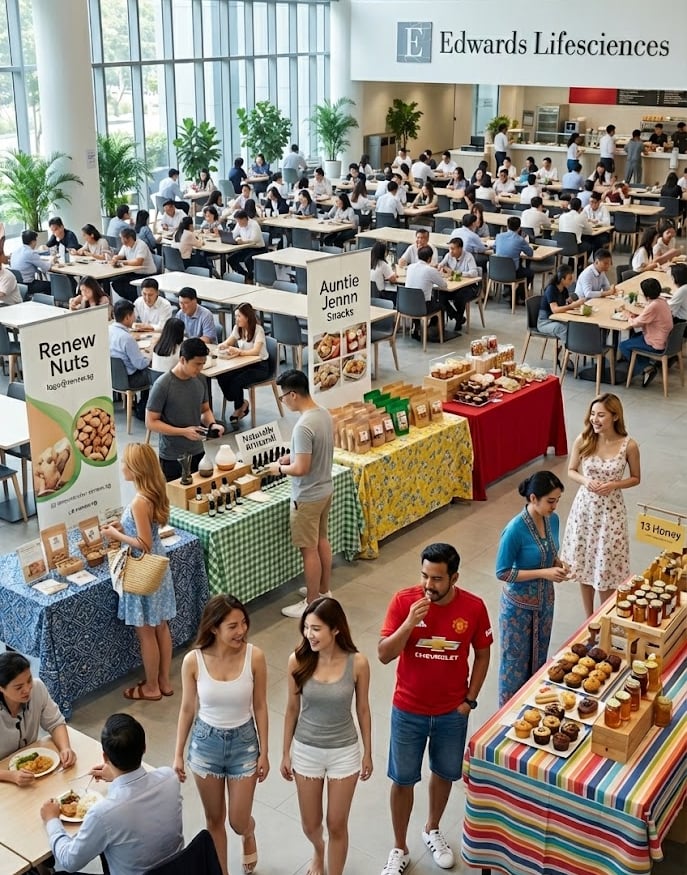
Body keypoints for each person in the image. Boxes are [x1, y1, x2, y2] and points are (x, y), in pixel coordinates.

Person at [378, 542, 492, 875]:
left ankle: (432, 828)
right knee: (402, 780)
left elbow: (483, 653)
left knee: (443, 773)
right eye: (425, 576)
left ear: (454, 577)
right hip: (408, 710)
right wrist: (409, 624)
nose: (429, 585)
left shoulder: (473, 607)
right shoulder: (404, 602)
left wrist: (469, 700)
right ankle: (399, 847)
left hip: (451, 713)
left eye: (438, 578)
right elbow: (384, 654)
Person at [174, 595, 268, 875]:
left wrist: (264, 752)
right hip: (205, 745)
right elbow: (187, 709)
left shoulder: (255, 656)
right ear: (214, 628)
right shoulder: (193, 661)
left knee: (238, 820)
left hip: (244, 745)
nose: (241, 631)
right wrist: (178, 753)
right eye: (233, 626)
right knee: (214, 820)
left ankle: (248, 832)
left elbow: (260, 706)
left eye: (243, 623)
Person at [281, 598, 371, 875]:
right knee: (310, 824)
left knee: (336, 824)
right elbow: (292, 709)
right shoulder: (297, 660)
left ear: (336, 629)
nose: (309, 634)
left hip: (344, 751)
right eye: (306, 627)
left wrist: (368, 752)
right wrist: (285, 753)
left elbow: (363, 709)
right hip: (307, 750)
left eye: (316, 629)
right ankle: (319, 850)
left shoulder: (358, 663)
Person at [41, 713, 183, 873]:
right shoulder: (170, 778)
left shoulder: (103, 814)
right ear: (144, 747)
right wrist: (116, 776)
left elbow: (69, 861)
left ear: (105, 757)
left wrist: (52, 820)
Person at [101, 443, 177, 701]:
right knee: (162, 627)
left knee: (146, 633)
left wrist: (116, 535)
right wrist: (124, 527)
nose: (121, 467)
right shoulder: (154, 494)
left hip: (142, 570)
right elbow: (147, 532)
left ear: (136, 469)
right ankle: (164, 680)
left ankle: (151, 687)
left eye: (125, 463)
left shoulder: (139, 501)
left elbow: (143, 543)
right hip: (159, 566)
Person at [560, 395, 640, 617]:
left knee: (607, 564)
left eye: (601, 415)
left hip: (611, 511)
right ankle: (589, 619)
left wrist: (614, 484)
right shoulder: (584, 439)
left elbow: (636, 478)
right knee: (585, 562)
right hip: (585, 509)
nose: (594, 419)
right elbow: (571, 470)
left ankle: (605, 616)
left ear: (615, 416)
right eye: (593, 414)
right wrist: (586, 481)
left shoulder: (629, 445)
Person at [496, 471, 568, 706]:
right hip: (517, 609)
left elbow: (549, 551)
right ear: (533, 498)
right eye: (550, 501)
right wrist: (544, 573)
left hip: (544, 602)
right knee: (514, 666)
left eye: (557, 501)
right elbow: (503, 572)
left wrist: (558, 563)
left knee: (539, 661)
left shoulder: (552, 520)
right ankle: (508, 715)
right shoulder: (515, 529)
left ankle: (533, 709)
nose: (554, 506)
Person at [266, 370, 334, 618]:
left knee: (308, 549)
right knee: (322, 540)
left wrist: (279, 468)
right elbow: (314, 452)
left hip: (307, 496)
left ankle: (311, 602)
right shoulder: (323, 414)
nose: (283, 401)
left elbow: (301, 469)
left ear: (293, 394)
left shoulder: (303, 426)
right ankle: (323, 590)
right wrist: (292, 456)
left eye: (283, 397)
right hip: (325, 488)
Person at [146, 337, 224, 481]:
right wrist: (183, 432)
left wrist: (212, 424)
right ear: (182, 360)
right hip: (172, 455)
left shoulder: (201, 379)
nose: (200, 368)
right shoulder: (162, 385)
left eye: (203, 364)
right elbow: (151, 422)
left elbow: (205, 410)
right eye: (197, 364)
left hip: (198, 450)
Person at [0, 651, 76, 777]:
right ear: (1, 688)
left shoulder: (37, 688)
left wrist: (65, 748)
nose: (27, 689)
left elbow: (55, 722)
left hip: (31, 766)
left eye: (29, 680)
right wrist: (10, 776)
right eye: (18, 687)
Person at [217, 301, 270, 428]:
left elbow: (256, 351)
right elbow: (229, 342)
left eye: (239, 316)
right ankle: (240, 403)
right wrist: (221, 346)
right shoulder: (238, 328)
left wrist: (238, 352)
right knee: (222, 375)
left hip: (260, 366)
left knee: (237, 381)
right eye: (236, 316)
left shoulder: (258, 330)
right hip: (244, 364)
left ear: (247, 317)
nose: (236, 319)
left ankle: (239, 408)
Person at [619, 276, 674, 385]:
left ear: (646, 295)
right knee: (634, 336)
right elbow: (647, 317)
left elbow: (635, 323)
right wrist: (636, 315)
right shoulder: (662, 301)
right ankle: (640, 364)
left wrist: (628, 315)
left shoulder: (653, 306)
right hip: (666, 339)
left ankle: (646, 367)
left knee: (623, 345)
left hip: (657, 343)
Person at [109, 300, 151, 419]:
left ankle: (137, 405)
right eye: (133, 315)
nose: (135, 318)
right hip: (130, 380)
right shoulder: (127, 338)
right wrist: (150, 357)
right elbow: (140, 364)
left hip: (113, 377)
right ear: (127, 317)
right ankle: (143, 409)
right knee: (152, 373)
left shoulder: (108, 330)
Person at [438, 237, 481, 331]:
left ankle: (458, 319)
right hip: (454, 285)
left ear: (460, 249)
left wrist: (457, 273)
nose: (450, 251)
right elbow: (441, 264)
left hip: (469, 286)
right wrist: (441, 267)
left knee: (460, 297)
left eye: (453, 249)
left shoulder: (468, 257)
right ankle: (458, 317)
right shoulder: (448, 255)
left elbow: (474, 273)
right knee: (441, 296)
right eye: (449, 248)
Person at [111, 227, 158, 303]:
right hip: (134, 272)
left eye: (122, 238)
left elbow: (138, 262)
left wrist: (122, 262)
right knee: (116, 282)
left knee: (129, 286)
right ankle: (132, 300)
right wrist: (115, 258)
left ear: (129, 238)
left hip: (146, 274)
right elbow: (121, 255)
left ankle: (136, 302)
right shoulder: (126, 245)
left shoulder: (141, 245)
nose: (121, 240)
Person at [537, 265, 578, 346]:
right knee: (562, 329)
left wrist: (573, 303)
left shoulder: (564, 289)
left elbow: (567, 303)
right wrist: (572, 306)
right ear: (562, 279)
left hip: (556, 319)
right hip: (545, 322)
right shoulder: (551, 289)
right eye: (569, 279)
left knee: (574, 326)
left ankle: (575, 347)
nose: (572, 281)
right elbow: (555, 309)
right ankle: (569, 350)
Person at [493, 215, 533, 290]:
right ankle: (520, 293)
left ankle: (507, 291)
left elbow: (494, 249)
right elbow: (530, 254)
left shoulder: (499, 236)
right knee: (530, 273)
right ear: (519, 228)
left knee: (515, 263)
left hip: (496, 270)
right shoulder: (520, 240)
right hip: (512, 272)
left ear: (507, 226)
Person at [9, 230, 52, 298]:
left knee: (41, 282)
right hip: (28, 285)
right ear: (33, 241)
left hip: (18, 285)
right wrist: (52, 260)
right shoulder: (30, 253)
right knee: (49, 285)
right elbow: (46, 267)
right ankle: (48, 302)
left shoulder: (16, 251)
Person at [227, 209, 266, 281]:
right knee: (231, 259)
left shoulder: (254, 224)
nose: (238, 223)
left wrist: (243, 242)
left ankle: (251, 278)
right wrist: (231, 237)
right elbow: (234, 234)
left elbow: (254, 240)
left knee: (248, 260)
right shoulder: (239, 224)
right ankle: (244, 275)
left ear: (245, 219)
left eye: (239, 221)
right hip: (246, 248)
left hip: (258, 249)